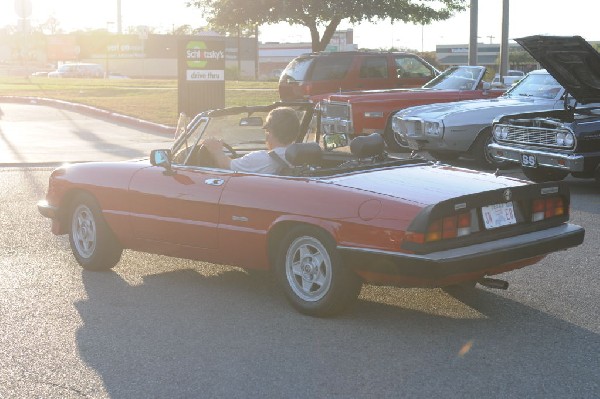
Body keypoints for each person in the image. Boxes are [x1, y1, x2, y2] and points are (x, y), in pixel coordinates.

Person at [201, 107, 300, 174]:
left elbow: (226, 166)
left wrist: (216, 150)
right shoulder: (304, 158)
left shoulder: (261, 159)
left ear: (269, 131)